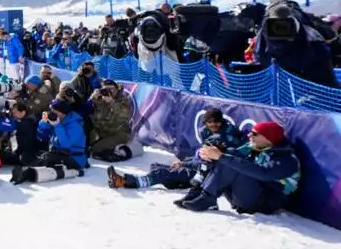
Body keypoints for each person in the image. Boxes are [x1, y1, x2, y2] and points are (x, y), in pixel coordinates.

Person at [106, 107, 243, 191]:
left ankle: (126, 182)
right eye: (210, 122)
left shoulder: (228, 134)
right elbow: (200, 155)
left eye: (217, 121)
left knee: (161, 173)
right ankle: (166, 179)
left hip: (210, 174)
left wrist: (186, 164)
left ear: (221, 121)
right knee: (156, 167)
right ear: (206, 123)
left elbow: (213, 159)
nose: (214, 125)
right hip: (199, 167)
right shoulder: (206, 133)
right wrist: (184, 163)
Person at [176, 121, 300, 214]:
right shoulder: (255, 146)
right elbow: (227, 153)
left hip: (263, 203)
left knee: (233, 162)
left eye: (255, 134)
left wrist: (221, 156)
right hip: (244, 193)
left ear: (268, 139)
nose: (249, 135)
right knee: (229, 155)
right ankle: (201, 194)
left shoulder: (287, 159)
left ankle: (207, 198)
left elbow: (264, 173)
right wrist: (203, 154)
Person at [87, 79, 138, 162]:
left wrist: (112, 102)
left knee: (96, 149)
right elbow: (86, 109)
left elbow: (124, 116)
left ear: (117, 89)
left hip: (118, 134)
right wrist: (93, 97)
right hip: (102, 132)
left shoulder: (124, 100)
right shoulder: (100, 99)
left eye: (111, 89)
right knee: (86, 145)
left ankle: (121, 151)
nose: (109, 91)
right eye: (106, 89)